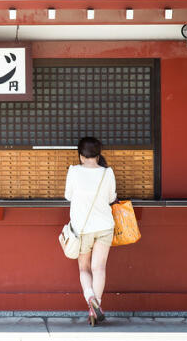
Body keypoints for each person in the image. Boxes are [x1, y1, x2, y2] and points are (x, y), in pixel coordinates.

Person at [64, 137, 117, 326]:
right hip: (104, 226)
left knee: (84, 268)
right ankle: (96, 307)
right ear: (98, 154)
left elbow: (68, 195)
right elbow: (112, 197)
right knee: (99, 268)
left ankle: (90, 299)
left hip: (82, 229)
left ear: (80, 155)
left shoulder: (74, 171)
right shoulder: (107, 173)